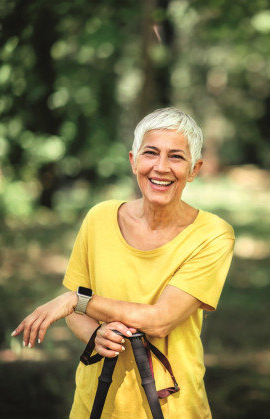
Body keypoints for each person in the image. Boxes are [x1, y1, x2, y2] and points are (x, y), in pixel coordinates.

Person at [12, 107, 235, 418]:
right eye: (151, 153)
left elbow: (160, 320)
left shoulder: (213, 234)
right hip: (97, 404)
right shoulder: (99, 218)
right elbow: (77, 315)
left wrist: (78, 301)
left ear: (194, 169)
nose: (161, 167)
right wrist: (95, 334)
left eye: (176, 157)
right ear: (133, 161)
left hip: (173, 409)